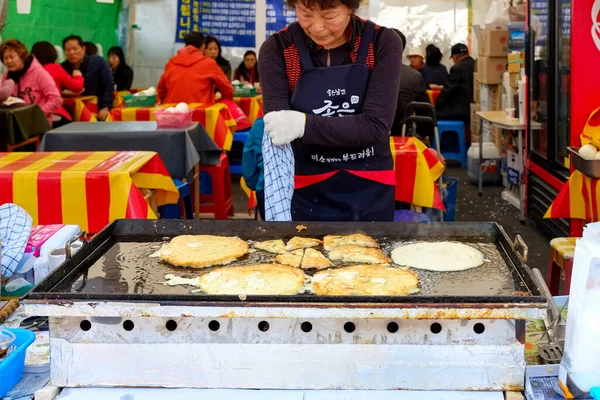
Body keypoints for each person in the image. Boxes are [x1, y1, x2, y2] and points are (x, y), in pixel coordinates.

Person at [259, 0, 402, 222]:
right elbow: (279, 128)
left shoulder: (382, 43)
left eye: (329, 16)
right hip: (305, 188)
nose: (317, 27)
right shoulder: (278, 49)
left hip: (370, 187)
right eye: (305, 13)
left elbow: (375, 126)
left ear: (351, 8)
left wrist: (303, 125)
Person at [157, 32, 233, 105]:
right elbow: (228, 90)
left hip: (172, 111)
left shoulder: (171, 63)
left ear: (185, 46)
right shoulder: (209, 63)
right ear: (203, 47)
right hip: (200, 112)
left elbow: (161, 90)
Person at [0, 39, 62, 126]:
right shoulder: (7, 76)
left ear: (21, 56)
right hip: (15, 123)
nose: (9, 61)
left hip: (38, 123)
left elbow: (56, 99)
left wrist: (37, 114)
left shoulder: (39, 73)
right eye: (5, 58)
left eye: (12, 57)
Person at [61, 35, 114, 121]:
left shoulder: (98, 62)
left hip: (97, 111)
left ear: (83, 49)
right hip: (71, 114)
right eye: (68, 50)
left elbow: (108, 85)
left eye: (75, 49)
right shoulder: (62, 68)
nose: (71, 52)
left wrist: (106, 107)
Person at [31, 40, 84, 125]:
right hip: (53, 114)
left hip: (32, 114)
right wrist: (78, 75)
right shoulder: (54, 68)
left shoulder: (30, 71)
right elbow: (77, 87)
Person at [390, 30, 431, 137]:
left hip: (370, 142)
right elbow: (425, 113)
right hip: (403, 136)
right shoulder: (414, 76)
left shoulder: (365, 74)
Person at [435, 43, 475, 124]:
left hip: (462, 112)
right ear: (467, 53)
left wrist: (437, 104)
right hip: (475, 109)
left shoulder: (457, 68)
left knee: (433, 113)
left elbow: (447, 90)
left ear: (455, 57)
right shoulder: (476, 64)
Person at [242, 117, 266, 220]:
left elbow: (250, 171)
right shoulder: (315, 122)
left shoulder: (261, 124)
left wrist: (256, 185)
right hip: (317, 190)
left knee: (272, 233)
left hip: (268, 191)